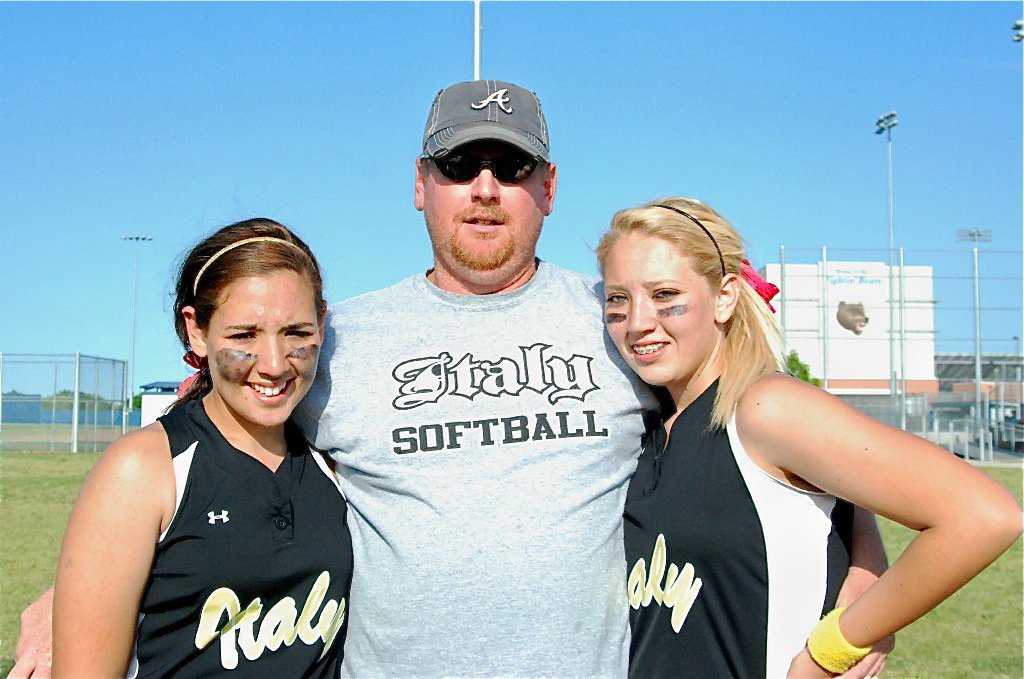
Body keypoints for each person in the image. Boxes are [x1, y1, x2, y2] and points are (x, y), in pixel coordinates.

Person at [13, 81, 889, 678]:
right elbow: (200, 443)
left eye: (509, 168)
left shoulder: (624, 320)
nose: (483, 188)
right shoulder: (335, 338)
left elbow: (796, 456)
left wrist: (861, 584)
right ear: (419, 187)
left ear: (547, 188)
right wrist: (76, 588)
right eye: (458, 165)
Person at [596, 196, 1023, 678]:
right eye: (618, 299)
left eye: (665, 294)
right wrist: (865, 560)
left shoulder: (765, 407)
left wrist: (835, 647)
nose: (637, 323)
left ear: (725, 296)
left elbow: (983, 517)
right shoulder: (648, 429)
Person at [50, 219, 353, 677]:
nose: (273, 364)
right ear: (196, 331)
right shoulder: (143, 470)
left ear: (322, 323)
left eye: (296, 332)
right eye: (244, 336)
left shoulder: (337, 461)